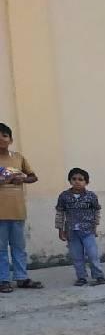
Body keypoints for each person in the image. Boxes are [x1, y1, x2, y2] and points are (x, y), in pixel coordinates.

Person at [0, 121, 42, 292]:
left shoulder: (18, 157)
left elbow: (33, 177)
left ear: (10, 139)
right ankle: (3, 280)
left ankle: (22, 278)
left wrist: (23, 179)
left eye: (4, 135)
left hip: (17, 211)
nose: (1, 139)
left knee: (19, 247)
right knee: (1, 249)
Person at [55, 167, 105, 286]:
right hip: (71, 232)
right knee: (77, 256)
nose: (77, 181)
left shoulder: (91, 196)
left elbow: (96, 211)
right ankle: (81, 277)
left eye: (80, 179)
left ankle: (99, 276)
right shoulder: (64, 196)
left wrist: (95, 227)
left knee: (93, 255)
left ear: (86, 182)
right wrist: (60, 230)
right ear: (70, 181)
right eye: (74, 179)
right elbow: (60, 213)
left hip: (88, 230)